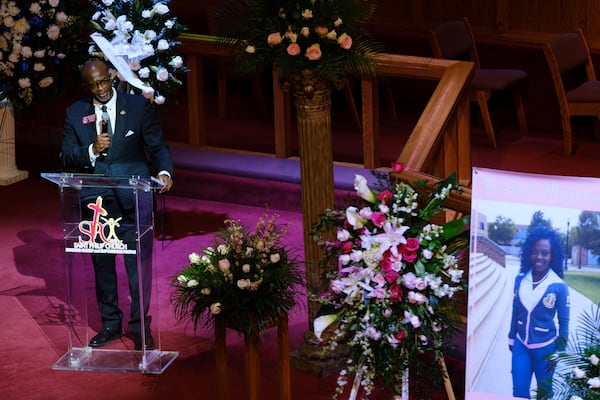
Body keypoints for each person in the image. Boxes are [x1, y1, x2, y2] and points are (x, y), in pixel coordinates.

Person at [60, 59, 173, 351]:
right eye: (92, 85)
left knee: (138, 265)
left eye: (102, 81)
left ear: (111, 76)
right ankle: (110, 323)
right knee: (103, 264)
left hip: (134, 196)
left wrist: (164, 172)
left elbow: (157, 145)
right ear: (86, 86)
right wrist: (91, 149)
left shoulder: (136, 106)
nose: (99, 88)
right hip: (96, 199)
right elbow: (67, 156)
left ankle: (139, 327)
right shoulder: (75, 113)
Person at [508, 226, 570, 399]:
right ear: (529, 252)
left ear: (552, 256)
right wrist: (511, 338)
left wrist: (558, 352)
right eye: (535, 252)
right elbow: (515, 311)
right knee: (519, 393)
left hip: (546, 349)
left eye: (545, 253)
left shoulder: (558, 285)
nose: (539, 257)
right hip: (521, 346)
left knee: (544, 395)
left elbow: (564, 323)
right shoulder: (520, 279)